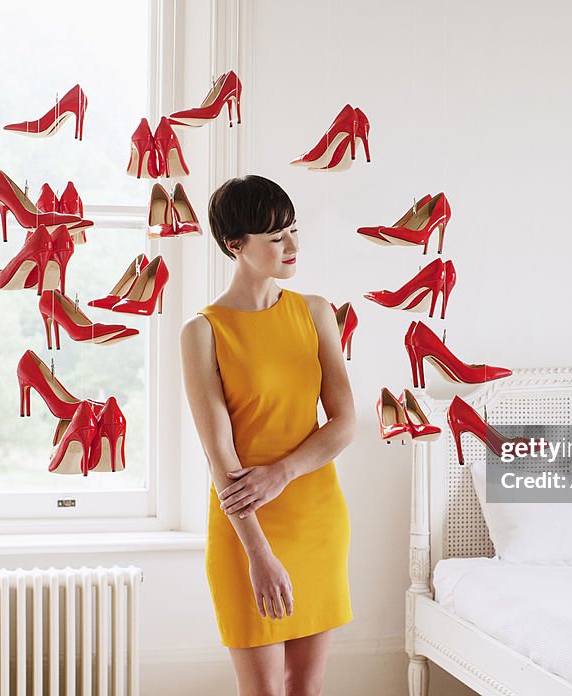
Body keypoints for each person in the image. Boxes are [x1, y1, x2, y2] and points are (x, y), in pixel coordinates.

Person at [179, 175, 355, 696]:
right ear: (236, 245)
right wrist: (259, 554)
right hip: (244, 530)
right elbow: (220, 456)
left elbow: (345, 422)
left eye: (294, 231)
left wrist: (284, 471)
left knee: (305, 687)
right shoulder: (204, 332)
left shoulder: (315, 312)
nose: (293, 248)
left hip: (317, 516)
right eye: (277, 238)